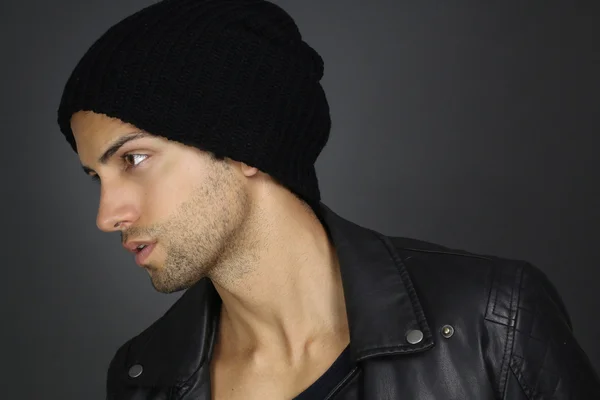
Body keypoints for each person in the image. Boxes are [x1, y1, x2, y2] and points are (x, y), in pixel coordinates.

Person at [56, 0, 600, 399]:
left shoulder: (492, 322)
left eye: (134, 159)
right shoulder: (144, 376)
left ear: (245, 144)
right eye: (95, 176)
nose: (108, 216)